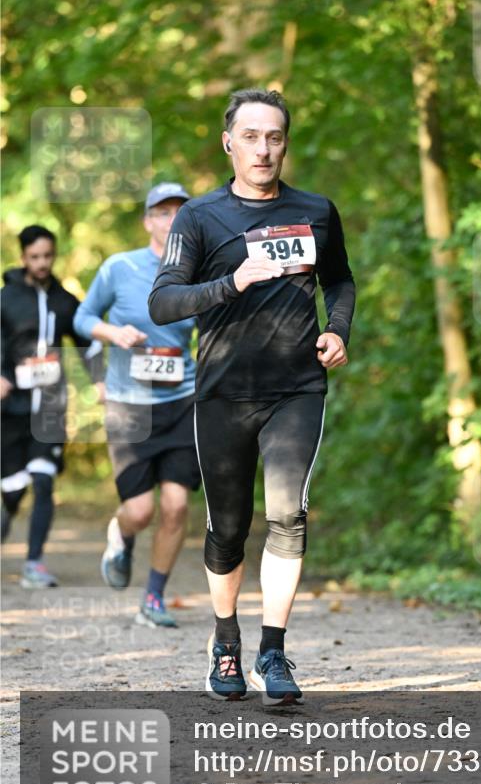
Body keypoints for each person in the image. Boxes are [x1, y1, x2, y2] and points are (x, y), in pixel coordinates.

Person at [149, 88, 355, 705]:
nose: (263, 149)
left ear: (285, 142)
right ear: (228, 142)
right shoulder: (200, 218)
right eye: (251, 137)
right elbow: (163, 303)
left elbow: (340, 279)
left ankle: (273, 650)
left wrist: (336, 330)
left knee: (288, 513)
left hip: (295, 389)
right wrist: (230, 282)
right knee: (228, 529)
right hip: (221, 394)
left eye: (274, 137)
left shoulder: (316, 210)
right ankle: (226, 642)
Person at [73, 183, 200, 628]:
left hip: (183, 400)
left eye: (179, 213)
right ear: (148, 221)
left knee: (176, 506)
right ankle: (121, 533)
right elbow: (82, 318)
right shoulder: (119, 267)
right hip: (130, 407)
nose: (171, 220)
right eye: (161, 213)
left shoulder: (199, 270)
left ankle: (154, 598)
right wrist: (114, 335)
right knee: (141, 511)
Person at [1, 225, 102, 588]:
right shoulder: (6, 298)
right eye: (34, 257)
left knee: (43, 481)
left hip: (51, 409)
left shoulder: (65, 300)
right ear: (23, 257)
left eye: (47, 256)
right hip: (10, 410)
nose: (42, 263)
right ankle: (6, 514)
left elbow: (87, 343)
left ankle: (34, 564)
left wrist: (101, 381)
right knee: (12, 489)